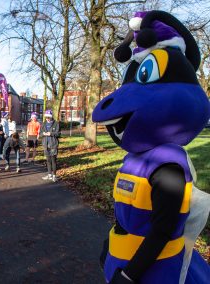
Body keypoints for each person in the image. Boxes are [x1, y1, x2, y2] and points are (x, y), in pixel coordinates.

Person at [93, 10, 210, 283]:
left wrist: (132, 274)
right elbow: (126, 214)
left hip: (152, 271)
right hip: (121, 256)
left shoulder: (167, 165)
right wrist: (109, 246)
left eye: (144, 75)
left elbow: (163, 231)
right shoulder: (137, 157)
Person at [40, 110, 60, 182]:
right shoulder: (43, 124)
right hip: (45, 144)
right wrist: (43, 134)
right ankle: (49, 175)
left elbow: (58, 134)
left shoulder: (56, 124)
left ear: (51, 117)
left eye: (48, 117)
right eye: (46, 117)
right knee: (48, 161)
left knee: (53, 160)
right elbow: (40, 134)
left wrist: (50, 134)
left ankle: (54, 176)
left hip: (53, 144)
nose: (47, 119)